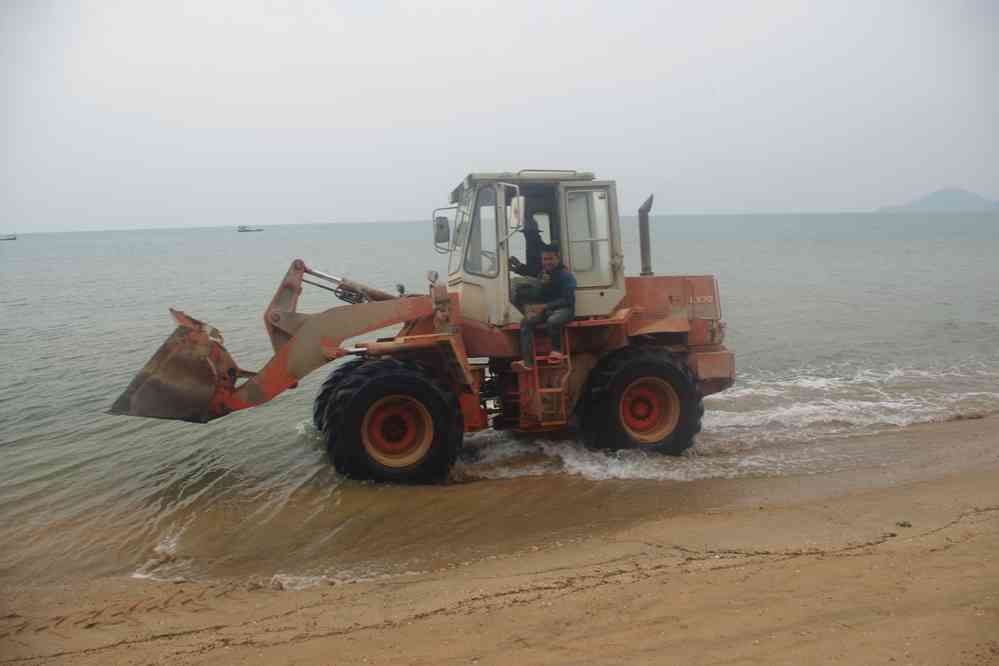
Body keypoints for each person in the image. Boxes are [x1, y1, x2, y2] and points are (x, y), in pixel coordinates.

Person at [510, 244, 576, 367]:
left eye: (550, 259)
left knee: (553, 321)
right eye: (545, 259)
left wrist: (544, 306)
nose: (547, 262)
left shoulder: (566, 276)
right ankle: (527, 362)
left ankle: (557, 351)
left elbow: (568, 300)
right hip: (547, 309)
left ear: (558, 258)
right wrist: (518, 267)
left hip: (564, 309)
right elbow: (532, 276)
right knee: (526, 322)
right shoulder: (543, 274)